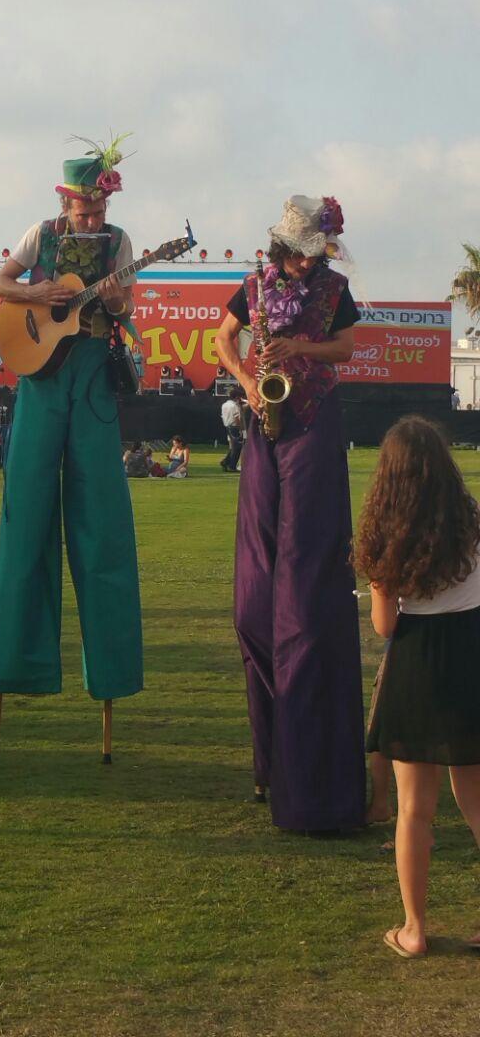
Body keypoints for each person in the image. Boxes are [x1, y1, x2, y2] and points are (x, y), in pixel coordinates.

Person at [216, 194, 366, 831]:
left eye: (317, 253)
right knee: (254, 599)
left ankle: (307, 765)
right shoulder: (252, 285)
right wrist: (248, 383)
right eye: (303, 253)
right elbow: (224, 340)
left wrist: (303, 348)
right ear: (284, 247)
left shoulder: (337, 289)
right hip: (264, 425)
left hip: (313, 426)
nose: (310, 264)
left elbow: (349, 349)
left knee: (302, 596)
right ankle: (267, 757)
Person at [0, 135, 143, 707]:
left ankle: (113, 674)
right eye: (85, 209)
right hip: (42, 378)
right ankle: (14, 667)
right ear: (66, 202)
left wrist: (119, 301)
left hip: (94, 374)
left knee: (102, 523)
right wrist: (37, 290)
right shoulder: (40, 234)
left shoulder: (120, 243)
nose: (94, 217)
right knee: (25, 516)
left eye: (100, 209)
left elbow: (128, 306)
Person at [356, 416, 480, 958]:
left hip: (417, 665)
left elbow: (385, 626)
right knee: (476, 800)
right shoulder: (472, 522)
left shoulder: (385, 534)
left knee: (413, 809)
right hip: (471, 658)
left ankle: (414, 929)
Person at [220, 386, 245, 472]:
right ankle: (232, 465)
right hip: (234, 427)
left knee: (233, 447)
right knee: (237, 447)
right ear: (236, 397)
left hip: (227, 426)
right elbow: (237, 419)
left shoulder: (224, 405)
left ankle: (226, 461)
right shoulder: (234, 406)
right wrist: (241, 429)